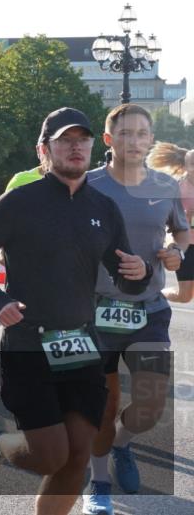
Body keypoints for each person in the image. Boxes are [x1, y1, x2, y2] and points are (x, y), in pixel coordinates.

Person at [0, 107, 151, 515]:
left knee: (77, 459)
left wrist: (140, 272)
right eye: (65, 140)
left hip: (82, 345)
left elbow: (125, 276)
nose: (76, 147)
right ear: (44, 150)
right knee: (50, 456)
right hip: (29, 342)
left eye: (82, 139)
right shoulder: (18, 202)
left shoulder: (103, 207)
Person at [81, 105, 188, 513]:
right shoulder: (87, 185)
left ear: (151, 140)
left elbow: (180, 229)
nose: (134, 141)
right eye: (124, 133)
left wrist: (176, 251)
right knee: (101, 405)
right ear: (109, 140)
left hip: (148, 309)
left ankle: (122, 443)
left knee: (148, 408)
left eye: (142, 133)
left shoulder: (164, 185)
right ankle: (98, 483)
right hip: (94, 311)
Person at [148, 140, 194, 304]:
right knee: (185, 296)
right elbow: (166, 219)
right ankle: (156, 295)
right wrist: (185, 218)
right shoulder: (176, 188)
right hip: (187, 245)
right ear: (186, 166)